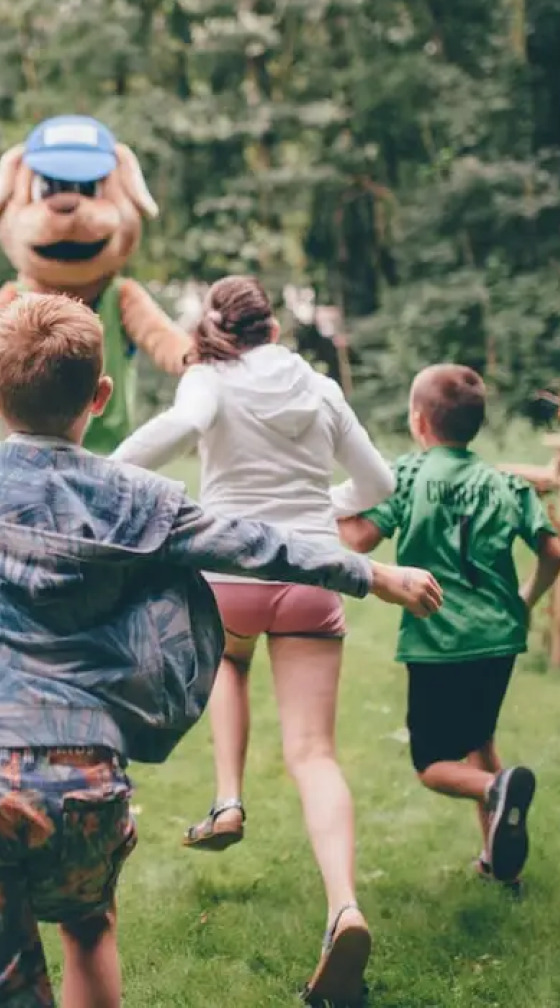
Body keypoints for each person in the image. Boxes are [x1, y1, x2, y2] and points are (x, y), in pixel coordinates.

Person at [0, 294, 441, 1008]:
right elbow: (257, 543)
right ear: (100, 395)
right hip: (85, 784)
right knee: (89, 928)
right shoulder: (143, 500)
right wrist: (372, 573)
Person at [109, 275, 396, 999]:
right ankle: (344, 908)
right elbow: (378, 487)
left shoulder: (209, 378)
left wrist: (103, 473)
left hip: (231, 574)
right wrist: (318, 503)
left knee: (229, 664)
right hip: (312, 574)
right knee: (314, 753)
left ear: (218, 329)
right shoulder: (319, 388)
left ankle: (229, 800)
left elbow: (177, 430)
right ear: (273, 327)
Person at [339, 364, 560, 889]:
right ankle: (498, 863)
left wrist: (321, 506)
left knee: (432, 763)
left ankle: (495, 789)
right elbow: (553, 553)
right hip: (499, 638)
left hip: (438, 641)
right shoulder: (506, 482)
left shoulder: (410, 475)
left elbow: (361, 539)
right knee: (480, 737)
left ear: (419, 421)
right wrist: (525, 599)